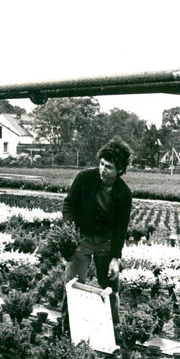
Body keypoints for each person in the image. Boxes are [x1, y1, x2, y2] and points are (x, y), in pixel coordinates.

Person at [61, 139, 133, 339]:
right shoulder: (85, 178)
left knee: (110, 287)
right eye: (102, 164)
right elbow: (69, 205)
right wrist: (70, 233)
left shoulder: (123, 193)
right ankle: (67, 331)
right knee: (73, 284)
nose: (103, 169)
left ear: (119, 170)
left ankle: (113, 332)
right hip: (81, 238)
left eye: (109, 167)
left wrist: (115, 258)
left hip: (106, 241)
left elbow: (121, 227)